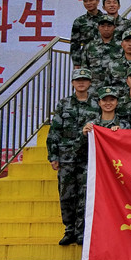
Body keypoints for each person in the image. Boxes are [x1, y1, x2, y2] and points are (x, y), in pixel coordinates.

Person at [46, 68, 98, 245]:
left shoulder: (97, 104)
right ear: (72, 83)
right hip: (66, 156)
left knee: (85, 194)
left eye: (84, 80)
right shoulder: (64, 104)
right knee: (66, 194)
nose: (81, 83)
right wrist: (53, 155)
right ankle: (69, 229)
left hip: (88, 157)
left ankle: (82, 231)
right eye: (78, 80)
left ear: (89, 82)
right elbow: (55, 130)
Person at [70, 0, 103, 68]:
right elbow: (75, 43)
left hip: (105, 59)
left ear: (98, 1)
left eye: (91, 0)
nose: (88, 3)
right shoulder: (79, 21)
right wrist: (76, 63)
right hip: (86, 60)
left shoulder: (107, 19)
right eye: (85, 1)